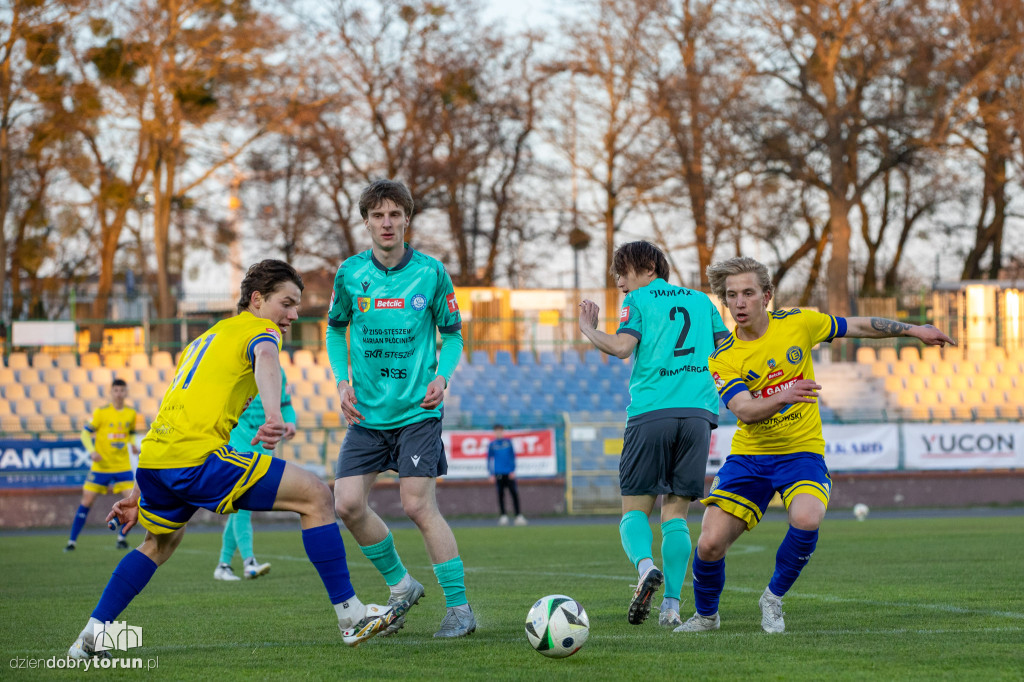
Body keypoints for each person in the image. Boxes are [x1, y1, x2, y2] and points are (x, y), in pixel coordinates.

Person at [68, 260, 401, 661]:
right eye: (287, 303)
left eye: (297, 306)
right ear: (257, 300)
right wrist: (275, 414)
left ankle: (91, 634)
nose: (293, 315)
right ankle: (351, 617)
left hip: (158, 459)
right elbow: (267, 358)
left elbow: (172, 407)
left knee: (159, 542)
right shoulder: (260, 330)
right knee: (315, 495)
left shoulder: (203, 339)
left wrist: (140, 489)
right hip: (195, 458)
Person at [675, 256, 954, 634]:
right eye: (731, 296)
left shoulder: (798, 323)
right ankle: (707, 616)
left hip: (801, 451)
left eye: (748, 293)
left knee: (807, 517)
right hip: (749, 457)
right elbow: (745, 409)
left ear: (766, 296)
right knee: (709, 544)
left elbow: (854, 326)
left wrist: (913, 329)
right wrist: (785, 394)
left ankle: (773, 599)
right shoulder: (724, 357)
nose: (739, 303)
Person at [328, 179, 475, 639]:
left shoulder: (431, 273)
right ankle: (402, 585)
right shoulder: (350, 274)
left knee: (416, 505)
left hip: (417, 412)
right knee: (346, 504)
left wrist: (442, 377)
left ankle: (459, 609)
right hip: (367, 416)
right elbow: (335, 329)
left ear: (406, 219)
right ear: (366, 221)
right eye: (378, 215)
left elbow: (452, 333)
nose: (387, 223)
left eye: (395, 214)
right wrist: (341, 380)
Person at [578, 240, 730, 628]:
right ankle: (672, 607)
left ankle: (645, 568)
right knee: (676, 514)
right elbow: (729, 351)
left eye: (622, 272)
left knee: (634, 512)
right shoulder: (702, 301)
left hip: (652, 412)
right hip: (699, 415)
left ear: (647, 268)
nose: (619, 282)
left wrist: (588, 329)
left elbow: (621, 348)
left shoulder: (640, 300)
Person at [213, 367, 297, 581]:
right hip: (238, 443)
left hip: (264, 446)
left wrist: (290, 422)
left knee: (242, 507)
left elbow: (285, 405)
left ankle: (223, 565)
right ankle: (249, 562)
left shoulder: (278, 371)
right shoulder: (240, 367)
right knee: (242, 506)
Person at [65, 378, 140, 552]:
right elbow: (85, 434)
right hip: (101, 467)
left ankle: (121, 538)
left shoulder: (131, 413)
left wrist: (132, 444)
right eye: (116, 390)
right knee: (86, 501)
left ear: (126, 392)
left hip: (122, 467)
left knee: (134, 503)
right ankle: (72, 541)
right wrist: (92, 450)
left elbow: (130, 433)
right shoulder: (101, 412)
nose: (119, 394)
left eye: (122, 390)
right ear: (111, 392)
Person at [487, 425, 526, 526]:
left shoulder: (508, 443)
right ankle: (503, 516)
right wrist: (491, 474)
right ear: (494, 432)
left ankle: (518, 515)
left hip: (509, 473)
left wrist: (512, 470)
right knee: (500, 495)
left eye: (500, 431)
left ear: (503, 431)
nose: (498, 433)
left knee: (514, 494)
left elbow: (512, 457)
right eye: (496, 431)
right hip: (498, 473)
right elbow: (489, 459)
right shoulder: (492, 444)